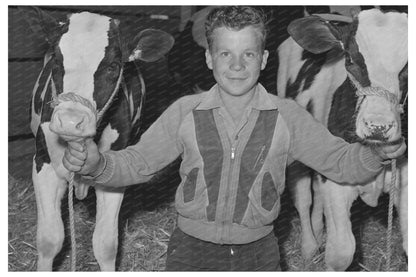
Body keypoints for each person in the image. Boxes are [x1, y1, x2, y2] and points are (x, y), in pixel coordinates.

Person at [62, 6, 406, 271]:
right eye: (226, 53)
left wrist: (378, 155)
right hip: (189, 251)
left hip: (260, 252)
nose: (237, 65)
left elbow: (341, 164)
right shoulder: (185, 111)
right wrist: (97, 163)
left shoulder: (287, 115)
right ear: (210, 59)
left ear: (264, 59)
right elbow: (137, 163)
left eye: (249, 54)